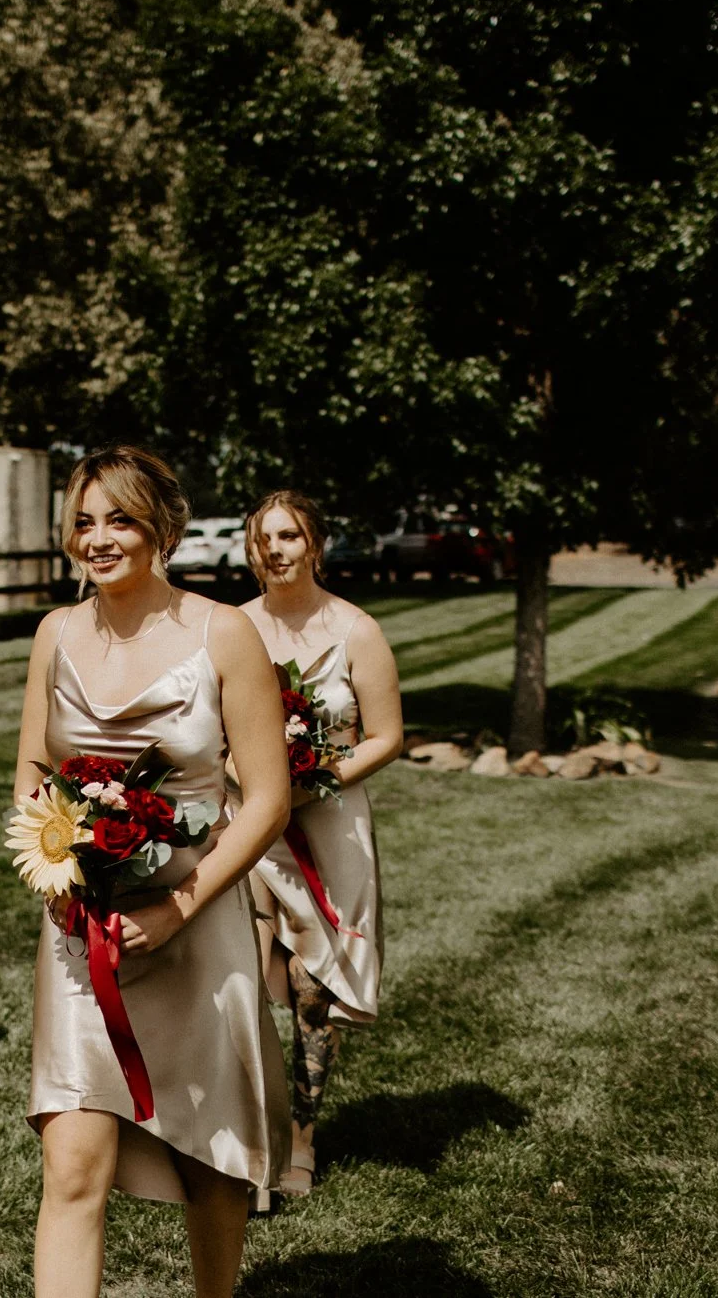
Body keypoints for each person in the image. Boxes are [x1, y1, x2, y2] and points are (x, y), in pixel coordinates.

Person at [17, 445, 292, 1298]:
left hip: (197, 930)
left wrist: (176, 909)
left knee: (212, 1160)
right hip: (82, 937)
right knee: (71, 1163)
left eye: (119, 519)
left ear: (161, 528)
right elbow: (32, 773)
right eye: (83, 522)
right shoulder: (55, 633)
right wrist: (54, 864)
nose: (98, 538)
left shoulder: (224, 632)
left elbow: (268, 800)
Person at [239, 491, 403, 1196]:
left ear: (315, 545)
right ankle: (248, 1137)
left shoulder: (356, 630)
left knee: (313, 989)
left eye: (288, 536)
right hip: (249, 823)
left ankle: (301, 1139)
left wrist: (313, 780)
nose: (273, 550)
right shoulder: (236, 628)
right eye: (262, 538)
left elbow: (387, 736)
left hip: (328, 820)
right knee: (241, 977)